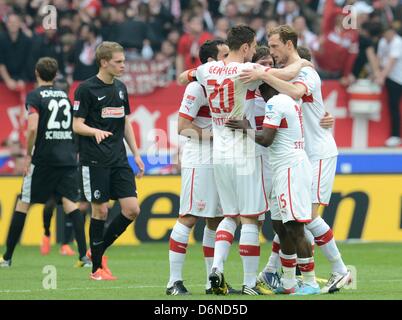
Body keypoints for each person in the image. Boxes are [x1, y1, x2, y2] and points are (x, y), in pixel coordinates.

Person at [192, 25, 309, 295]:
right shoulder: (246, 71)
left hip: (218, 151)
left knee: (229, 215)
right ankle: (248, 283)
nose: (255, 52)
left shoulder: (206, 70)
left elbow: (188, 75)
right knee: (250, 218)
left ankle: (216, 271)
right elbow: (287, 75)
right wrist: (301, 61)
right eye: (254, 47)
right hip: (243, 151)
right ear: (245, 47)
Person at [240, 25, 352, 293]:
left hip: (318, 153)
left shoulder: (307, 74)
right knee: (288, 219)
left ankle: (340, 271)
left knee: (305, 218)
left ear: (289, 45)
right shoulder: (291, 74)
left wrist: (263, 74)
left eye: (275, 46)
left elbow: (296, 92)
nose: (272, 52)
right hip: (301, 153)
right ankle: (272, 272)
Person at [0, 57, 89, 268]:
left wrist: (29, 152)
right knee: (70, 204)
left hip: (43, 160)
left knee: (24, 203)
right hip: (66, 159)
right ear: (56, 74)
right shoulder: (66, 98)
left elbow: (32, 127)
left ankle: (7, 257)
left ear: (37, 73)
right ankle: (84, 257)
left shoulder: (35, 96)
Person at [166, 39, 239, 296]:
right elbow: (182, 126)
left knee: (216, 219)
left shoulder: (225, 85)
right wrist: (215, 136)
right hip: (199, 157)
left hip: (219, 157)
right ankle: (173, 281)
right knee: (188, 216)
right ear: (210, 62)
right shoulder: (197, 89)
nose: (228, 60)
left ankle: (211, 281)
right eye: (224, 55)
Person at [73, 41, 145, 280]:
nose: (123, 65)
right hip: (94, 160)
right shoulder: (85, 89)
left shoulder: (121, 88)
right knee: (100, 210)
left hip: (119, 159)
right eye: (118, 62)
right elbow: (77, 124)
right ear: (104, 62)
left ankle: (97, 252)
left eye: (123, 61)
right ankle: (96, 269)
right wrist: (94, 131)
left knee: (132, 209)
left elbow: (125, 122)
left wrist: (136, 153)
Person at [376, 26, 402, 147]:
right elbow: (379, 58)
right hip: (391, 79)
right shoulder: (382, 42)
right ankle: (395, 136)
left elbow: (392, 61)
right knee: (393, 107)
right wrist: (376, 73)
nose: (387, 36)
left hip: (398, 77)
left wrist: (381, 76)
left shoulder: (397, 42)